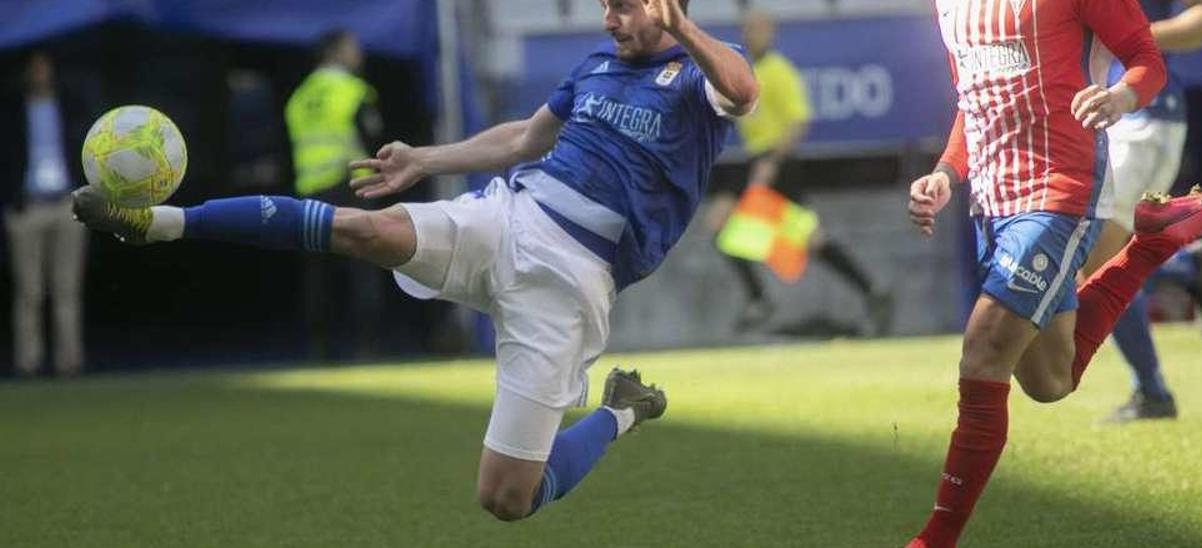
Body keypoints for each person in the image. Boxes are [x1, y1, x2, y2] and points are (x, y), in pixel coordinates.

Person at [73, 0, 757, 522]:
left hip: (575, 279)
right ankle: (161, 222)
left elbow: (743, 91)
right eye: (603, 5)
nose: (608, 19)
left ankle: (620, 412)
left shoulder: (695, 78)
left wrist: (688, 33)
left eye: (623, 6)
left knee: (507, 499)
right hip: (510, 217)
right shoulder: (595, 68)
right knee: (365, 231)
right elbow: (524, 137)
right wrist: (425, 158)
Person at [903, 1, 1202, 546]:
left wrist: (1119, 97)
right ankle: (1151, 248)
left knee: (985, 349)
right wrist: (947, 173)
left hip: (1060, 188)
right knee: (1048, 381)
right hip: (992, 201)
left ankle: (934, 538)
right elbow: (973, 100)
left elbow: (1146, 58)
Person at [1090, 0, 1202, 423]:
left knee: (1097, 269)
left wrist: (1132, 37)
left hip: (1139, 117)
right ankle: (1187, 269)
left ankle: (1152, 393)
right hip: (1123, 116)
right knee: (1095, 266)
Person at [705, 9, 891, 333]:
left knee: (811, 240)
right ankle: (759, 298)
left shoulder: (779, 71)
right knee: (717, 223)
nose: (752, 34)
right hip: (754, 160)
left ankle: (872, 291)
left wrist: (773, 163)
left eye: (758, 28)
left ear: (770, 33)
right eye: (747, 29)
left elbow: (798, 122)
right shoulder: (746, 71)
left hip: (777, 163)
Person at [285, 29, 385, 360]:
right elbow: (374, 140)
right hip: (350, 185)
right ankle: (367, 346)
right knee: (364, 266)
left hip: (310, 189)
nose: (359, 53)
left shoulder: (299, 97)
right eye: (353, 47)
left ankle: (318, 347)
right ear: (335, 52)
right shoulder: (352, 90)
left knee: (317, 274)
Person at [1, 51, 92, 378]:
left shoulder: (69, 107)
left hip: (65, 204)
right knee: (29, 291)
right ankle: (29, 363)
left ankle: (70, 362)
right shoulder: (11, 112)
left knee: (67, 288)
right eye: (34, 69)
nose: (40, 74)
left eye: (45, 68)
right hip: (27, 206)